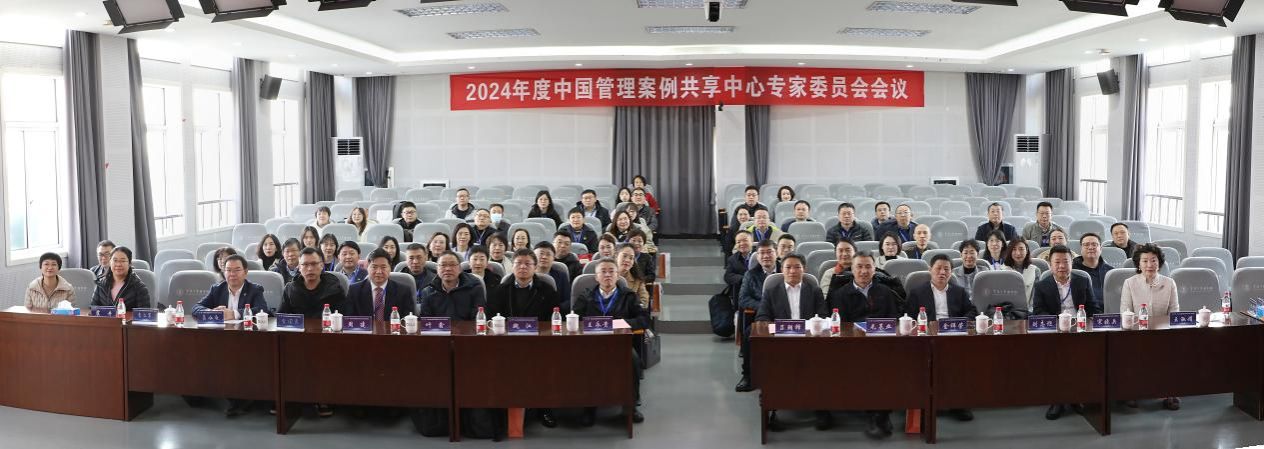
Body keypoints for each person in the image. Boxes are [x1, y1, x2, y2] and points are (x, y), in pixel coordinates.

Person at [825, 251, 901, 439]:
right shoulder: (840, 294)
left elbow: (894, 321)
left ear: (875, 269)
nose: (864, 271)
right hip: (852, 347)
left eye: (868, 266)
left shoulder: (885, 292)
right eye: (859, 266)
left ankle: (880, 414)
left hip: (882, 346)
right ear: (852, 269)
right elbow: (839, 327)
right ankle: (878, 415)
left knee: (885, 365)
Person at [752, 253, 831, 431]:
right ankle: (772, 409)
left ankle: (822, 408)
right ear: (782, 270)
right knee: (771, 365)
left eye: (797, 267)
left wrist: (813, 328)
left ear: (804, 269)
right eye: (788, 267)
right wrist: (772, 328)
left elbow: (824, 316)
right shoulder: (771, 292)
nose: (792, 271)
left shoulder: (814, 291)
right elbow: (762, 318)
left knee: (823, 364)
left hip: (811, 344)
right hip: (781, 344)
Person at [570, 257, 649, 425]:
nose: (607, 275)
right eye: (603, 272)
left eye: (611, 271)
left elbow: (643, 320)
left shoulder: (628, 296)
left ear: (617, 275)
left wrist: (622, 323)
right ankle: (589, 407)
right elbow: (574, 319)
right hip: (591, 345)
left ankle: (631, 406)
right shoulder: (586, 296)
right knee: (582, 362)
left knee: (633, 360)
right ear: (596, 277)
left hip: (619, 344)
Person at [1031, 244, 1098, 420]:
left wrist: (1085, 325)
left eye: (1065, 261)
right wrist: (1059, 323)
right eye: (1057, 262)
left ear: (1071, 263)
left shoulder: (1082, 281)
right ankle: (1058, 400)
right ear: (1050, 264)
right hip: (1055, 332)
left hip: (1080, 330)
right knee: (1057, 358)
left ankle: (1077, 397)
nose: (1062, 266)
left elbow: (1094, 308)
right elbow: (1038, 312)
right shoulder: (1042, 286)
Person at [279, 247, 345, 418]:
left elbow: (344, 316)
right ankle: (290, 397)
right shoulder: (290, 288)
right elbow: (282, 317)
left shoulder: (334, 288)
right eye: (305, 265)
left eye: (314, 264)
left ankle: (323, 397)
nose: (310, 269)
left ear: (322, 265)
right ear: (299, 267)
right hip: (297, 340)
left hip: (327, 340)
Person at [1119, 243, 1181, 411]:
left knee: (1172, 348)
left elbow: (1174, 313)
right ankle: (1131, 391)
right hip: (1136, 334)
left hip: (1163, 334)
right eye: (1145, 261)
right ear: (1138, 264)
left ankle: (1169, 392)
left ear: (1159, 263)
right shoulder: (1129, 283)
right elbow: (1125, 312)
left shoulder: (1169, 283)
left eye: (1153, 260)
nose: (1149, 265)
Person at [736, 240, 778, 393]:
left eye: (769, 252)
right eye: (762, 253)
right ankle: (748, 375)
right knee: (749, 334)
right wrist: (764, 307)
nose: (766, 256)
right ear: (757, 256)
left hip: (788, 314)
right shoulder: (751, 274)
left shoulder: (786, 269)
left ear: (776, 253)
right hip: (763, 316)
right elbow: (743, 299)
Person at [823, 239, 908, 303]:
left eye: (848, 250)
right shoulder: (831, 276)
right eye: (840, 250)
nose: (844, 254)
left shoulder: (880, 277)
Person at [343, 249, 415, 320]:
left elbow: (409, 321)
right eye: (374, 267)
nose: (379, 272)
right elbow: (349, 320)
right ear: (367, 268)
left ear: (390, 268)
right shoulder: (354, 290)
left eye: (383, 267)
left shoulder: (403, 291)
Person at [418, 251, 487, 320]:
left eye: (452, 265)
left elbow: (478, 319)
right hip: (439, 327)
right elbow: (426, 322)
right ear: (437, 269)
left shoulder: (474, 287)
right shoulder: (428, 291)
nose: (448, 269)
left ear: (460, 269)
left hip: (467, 327)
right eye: (443, 265)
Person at [906, 254, 978, 320]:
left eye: (946, 269)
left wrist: (961, 322)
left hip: (953, 327)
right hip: (928, 328)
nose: (942, 272)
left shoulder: (960, 292)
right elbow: (910, 316)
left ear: (951, 272)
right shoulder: (917, 293)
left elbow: (972, 312)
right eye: (938, 268)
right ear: (930, 270)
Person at [194, 254, 266, 318]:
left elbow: (262, 310)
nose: (232, 274)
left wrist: (234, 314)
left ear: (245, 272)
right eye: (228, 270)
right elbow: (196, 307)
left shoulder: (255, 290)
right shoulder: (217, 289)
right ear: (224, 272)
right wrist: (211, 312)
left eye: (237, 270)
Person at [1073, 232, 1113, 310]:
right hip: (1082, 313)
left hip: (1107, 313)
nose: (1090, 247)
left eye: (1094, 244)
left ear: (1100, 249)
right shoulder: (1072, 271)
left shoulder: (1110, 272)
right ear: (1081, 249)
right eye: (1086, 245)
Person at [533, 242, 572, 312]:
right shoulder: (526, 276)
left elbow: (568, 300)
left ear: (554, 258)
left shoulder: (561, 276)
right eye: (541, 253)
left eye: (548, 254)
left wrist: (555, 311)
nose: (544, 257)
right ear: (533, 257)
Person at [1002, 238, 1039, 306]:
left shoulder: (1035, 270)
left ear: (1027, 250)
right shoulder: (1002, 270)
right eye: (1014, 249)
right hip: (1007, 309)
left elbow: (1034, 298)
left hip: (1027, 309)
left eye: (1021, 249)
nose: (1018, 253)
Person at [615, 243, 652, 310]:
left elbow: (644, 301)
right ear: (616, 256)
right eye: (624, 256)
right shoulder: (606, 275)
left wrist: (634, 309)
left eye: (631, 258)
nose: (627, 260)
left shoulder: (637, 280)